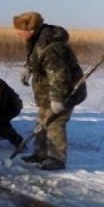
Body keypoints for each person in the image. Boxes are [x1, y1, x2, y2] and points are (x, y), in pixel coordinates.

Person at [14, 11, 86, 170]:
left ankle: (56, 159)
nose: (18, 35)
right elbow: (36, 58)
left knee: (54, 124)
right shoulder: (36, 40)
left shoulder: (52, 47)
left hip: (64, 91)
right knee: (41, 122)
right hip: (46, 90)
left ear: (30, 30)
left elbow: (59, 76)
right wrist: (28, 68)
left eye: (20, 32)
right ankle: (40, 154)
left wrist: (57, 100)